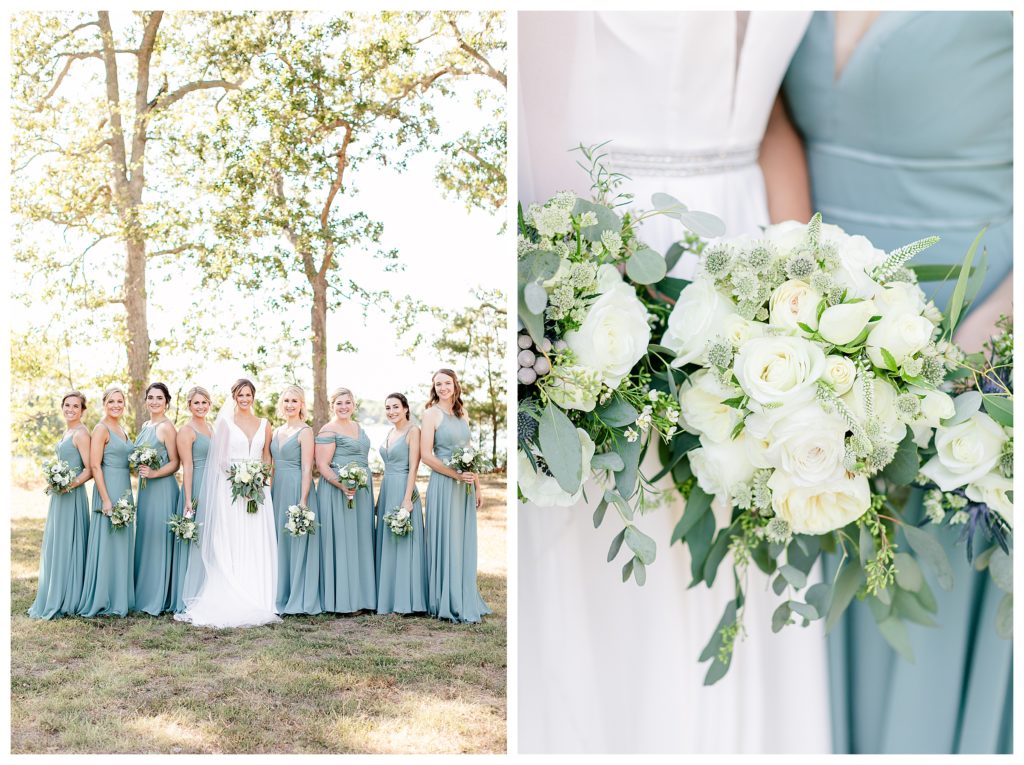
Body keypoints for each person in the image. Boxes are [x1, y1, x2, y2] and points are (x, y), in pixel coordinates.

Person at [518, 10, 831, 753]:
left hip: (757, 262)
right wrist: (599, 304)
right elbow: (532, 112)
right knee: (630, 556)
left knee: (751, 537)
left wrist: (807, 300)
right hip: (608, 251)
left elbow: (772, 121)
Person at [782, 10, 1013, 754]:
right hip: (818, 354)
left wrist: (965, 360)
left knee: (935, 614)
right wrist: (798, 311)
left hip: (984, 343)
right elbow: (765, 116)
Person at [175, 378, 280, 628]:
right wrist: (240, 483)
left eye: (248, 395)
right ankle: (232, 590)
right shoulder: (224, 423)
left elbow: (266, 457)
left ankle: (258, 595)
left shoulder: (265, 424)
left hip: (258, 493)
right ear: (234, 397)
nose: (244, 399)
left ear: (254, 397)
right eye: (240, 395)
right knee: (233, 539)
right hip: (231, 491)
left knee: (256, 540)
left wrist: (259, 483)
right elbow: (220, 460)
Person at [420, 369, 490, 623]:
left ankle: (463, 594)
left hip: (465, 486)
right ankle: (444, 599)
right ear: (434, 388)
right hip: (444, 483)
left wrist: (478, 486)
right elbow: (427, 456)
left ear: (455, 385)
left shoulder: (462, 414)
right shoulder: (431, 414)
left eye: (446, 383)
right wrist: (455, 475)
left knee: (462, 540)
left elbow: (469, 452)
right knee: (446, 538)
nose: (442, 387)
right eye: (438, 384)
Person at [28, 391, 92, 619]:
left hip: (71, 495)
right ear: (62, 407)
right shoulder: (68, 431)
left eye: (76, 406)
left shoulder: (82, 434)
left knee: (68, 542)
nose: (70, 409)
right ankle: (56, 589)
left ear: (83, 410)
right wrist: (55, 480)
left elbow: (89, 469)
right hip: (60, 495)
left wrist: (69, 485)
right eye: (67, 405)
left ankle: (68, 596)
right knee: (58, 543)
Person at [315, 387, 376, 613]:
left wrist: (357, 484)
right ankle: (342, 600)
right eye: (339, 403)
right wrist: (343, 485)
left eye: (347, 402)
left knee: (360, 540)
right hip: (337, 490)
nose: (343, 407)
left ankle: (363, 598)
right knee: (342, 541)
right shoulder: (328, 429)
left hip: (362, 490)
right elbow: (321, 465)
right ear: (332, 406)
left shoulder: (358, 427)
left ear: (354, 405)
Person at [78, 386, 135, 617]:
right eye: (112, 401)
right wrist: (105, 499)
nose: (116, 405)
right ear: (105, 404)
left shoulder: (121, 428)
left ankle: (120, 595)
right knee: (107, 542)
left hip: (124, 488)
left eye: (120, 401)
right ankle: (103, 597)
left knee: (121, 543)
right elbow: (94, 466)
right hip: (107, 488)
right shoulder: (101, 428)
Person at [375, 392, 427, 615]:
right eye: (388, 408)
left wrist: (407, 498)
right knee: (389, 543)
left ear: (406, 408)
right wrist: (380, 499)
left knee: (404, 543)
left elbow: (414, 466)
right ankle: (388, 597)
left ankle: (407, 601)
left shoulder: (413, 431)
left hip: (404, 488)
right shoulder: (390, 432)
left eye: (396, 407)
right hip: (388, 488)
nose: (391, 412)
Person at [272, 385, 321, 615]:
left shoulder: (305, 431)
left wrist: (303, 499)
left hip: (297, 488)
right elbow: (271, 467)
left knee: (296, 540)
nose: (290, 405)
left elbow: (306, 468)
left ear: (302, 404)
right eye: (286, 400)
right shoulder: (276, 430)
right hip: (278, 489)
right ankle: (278, 593)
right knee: (279, 542)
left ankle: (298, 596)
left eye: (295, 401)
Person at [132, 382, 180, 615]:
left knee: (159, 540)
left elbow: (175, 462)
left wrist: (153, 473)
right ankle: (143, 591)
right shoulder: (145, 425)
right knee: (146, 537)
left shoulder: (166, 427)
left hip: (162, 488)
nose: (154, 402)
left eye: (159, 398)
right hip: (145, 490)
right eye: (150, 397)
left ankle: (159, 596)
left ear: (166, 402)